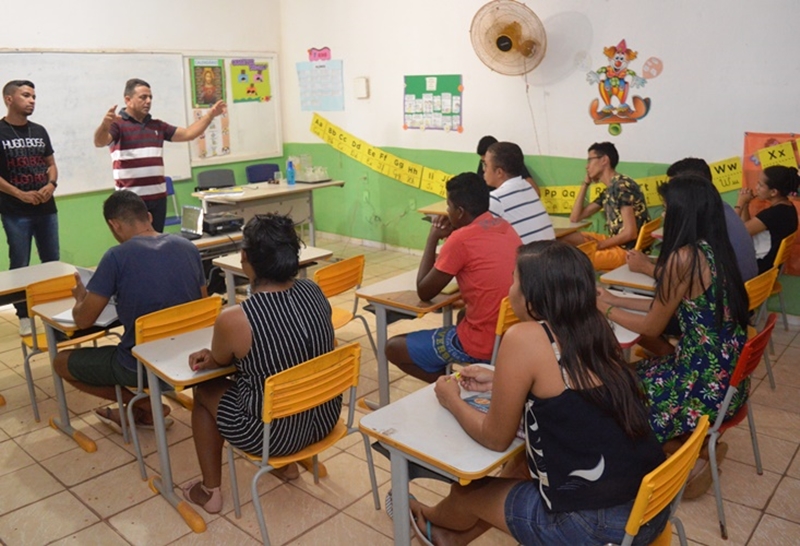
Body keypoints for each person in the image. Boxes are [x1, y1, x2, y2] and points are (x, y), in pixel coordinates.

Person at [407, 241, 667, 546]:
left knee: (468, 492)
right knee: (519, 467)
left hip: (595, 528)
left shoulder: (524, 337)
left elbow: (495, 437)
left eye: (514, 279)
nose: (509, 289)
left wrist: (450, 399)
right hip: (650, 508)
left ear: (533, 298)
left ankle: (431, 521)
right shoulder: (595, 327)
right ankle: (451, 536)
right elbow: (568, 384)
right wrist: (500, 379)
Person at [597, 175, 749, 497]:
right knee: (630, 378)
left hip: (702, 383)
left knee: (622, 395)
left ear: (685, 213)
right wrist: (612, 299)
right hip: (726, 377)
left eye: (667, 209)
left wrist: (604, 310)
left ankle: (684, 457)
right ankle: (693, 448)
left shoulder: (684, 258)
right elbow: (664, 305)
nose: (664, 217)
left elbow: (653, 326)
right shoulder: (714, 250)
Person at [181, 214, 337, 514]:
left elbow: (221, 360)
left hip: (275, 436)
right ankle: (288, 468)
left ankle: (209, 491)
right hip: (323, 417)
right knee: (283, 377)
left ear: (244, 258)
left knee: (203, 391)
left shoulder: (235, 318)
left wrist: (210, 355)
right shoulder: (314, 291)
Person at [53, 191, 207, 429]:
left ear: (114, 225)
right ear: (148, 216)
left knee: (60, 362)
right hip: (190, 356)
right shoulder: (188, 247)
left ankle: (144, 405)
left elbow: (84, 321)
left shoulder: (116, 256)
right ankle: (142, 411)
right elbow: (203, 304)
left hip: (142, 365)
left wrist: (80, 299)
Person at [385, 173, 521, 383]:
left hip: (482, 344)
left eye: (449, 207)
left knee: (393, 347)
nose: (446, 212)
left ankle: (453, 384)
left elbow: (424, 291)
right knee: (462, 316)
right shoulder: (504, 226)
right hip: (509, 337)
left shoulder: (460, 239)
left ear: (460, 211)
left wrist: (432, 237)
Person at [94, 78, 226, 232]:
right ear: (128, 100)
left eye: (150, 97)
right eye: (143, 97)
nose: (148, 101)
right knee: (136, 246)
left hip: (158, 200)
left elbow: (188, 134)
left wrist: (210, 115)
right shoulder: (118, 125)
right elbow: (100, 141)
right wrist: (104, 126)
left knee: (156, 243)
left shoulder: (157, 125)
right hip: (131, 202)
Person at [627, 157, 758, 282]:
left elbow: (682, 281)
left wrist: (644, 267)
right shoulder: (722, 206)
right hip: (745, 288)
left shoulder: (702, 220)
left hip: (727, 296)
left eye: (676, 188)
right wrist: (651, 261)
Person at [0, 80, 59, 335]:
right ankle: (23, 315)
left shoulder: (40, 130)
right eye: (26, 95)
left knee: (52, 262)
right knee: (20, 264)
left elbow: (51, 164)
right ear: (9, 99)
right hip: (15, 211)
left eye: (34, 96)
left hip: (46, 209)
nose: (32, 100)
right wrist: (20, 194)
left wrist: (52, 184)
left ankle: (56, 311)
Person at [567, 142, 650, 270]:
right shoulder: (609, 189)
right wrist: (585, 184)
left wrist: (599, 245)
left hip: (627, 251)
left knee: (572, 260)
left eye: (590, 160)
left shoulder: (622, 186)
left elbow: (630, 233)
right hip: (616, 242)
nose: (586, 166)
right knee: (565, 239)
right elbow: (575, 218)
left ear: (604, 160)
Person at [483, 141, 555, 244]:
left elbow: (479, 234)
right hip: (548, 256)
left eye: (486, 165)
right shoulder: (528, 187)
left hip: (527, 259)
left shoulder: (496, 199)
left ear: (499, 172)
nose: (484, 170)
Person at [736, 165, 799, 273]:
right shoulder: (788, 208)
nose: (756, 188)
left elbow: (737, 232)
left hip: (758, 269)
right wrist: (746, 204)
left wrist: (740, 202)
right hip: (769, 267)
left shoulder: (773, 215)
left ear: (773, 192)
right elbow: (747, 229)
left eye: (760, 185)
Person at [476, 135, 540, 195]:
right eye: (483, 162)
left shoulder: (512, 163)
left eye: (486, 164)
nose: (484, 169)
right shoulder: (483, 165)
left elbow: (535, 191)